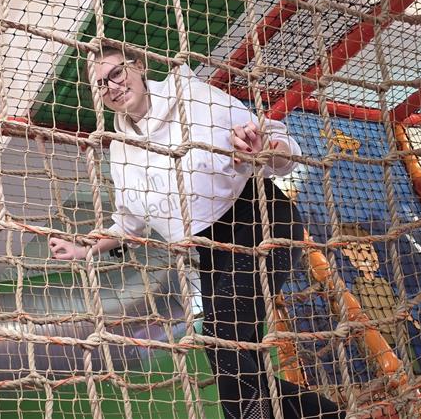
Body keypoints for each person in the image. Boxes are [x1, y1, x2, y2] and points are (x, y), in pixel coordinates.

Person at [49, 47, 345, 419]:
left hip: (259, 219)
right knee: (229, 358)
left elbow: (279, 145)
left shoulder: (194, 97)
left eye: (117, 73)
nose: (112, 87)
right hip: (210, 252)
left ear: (138, 67)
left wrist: (263, 150)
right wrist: (83, 250)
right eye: (101, 84)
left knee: (228, 341)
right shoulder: (121, 151)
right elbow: (128, 223)